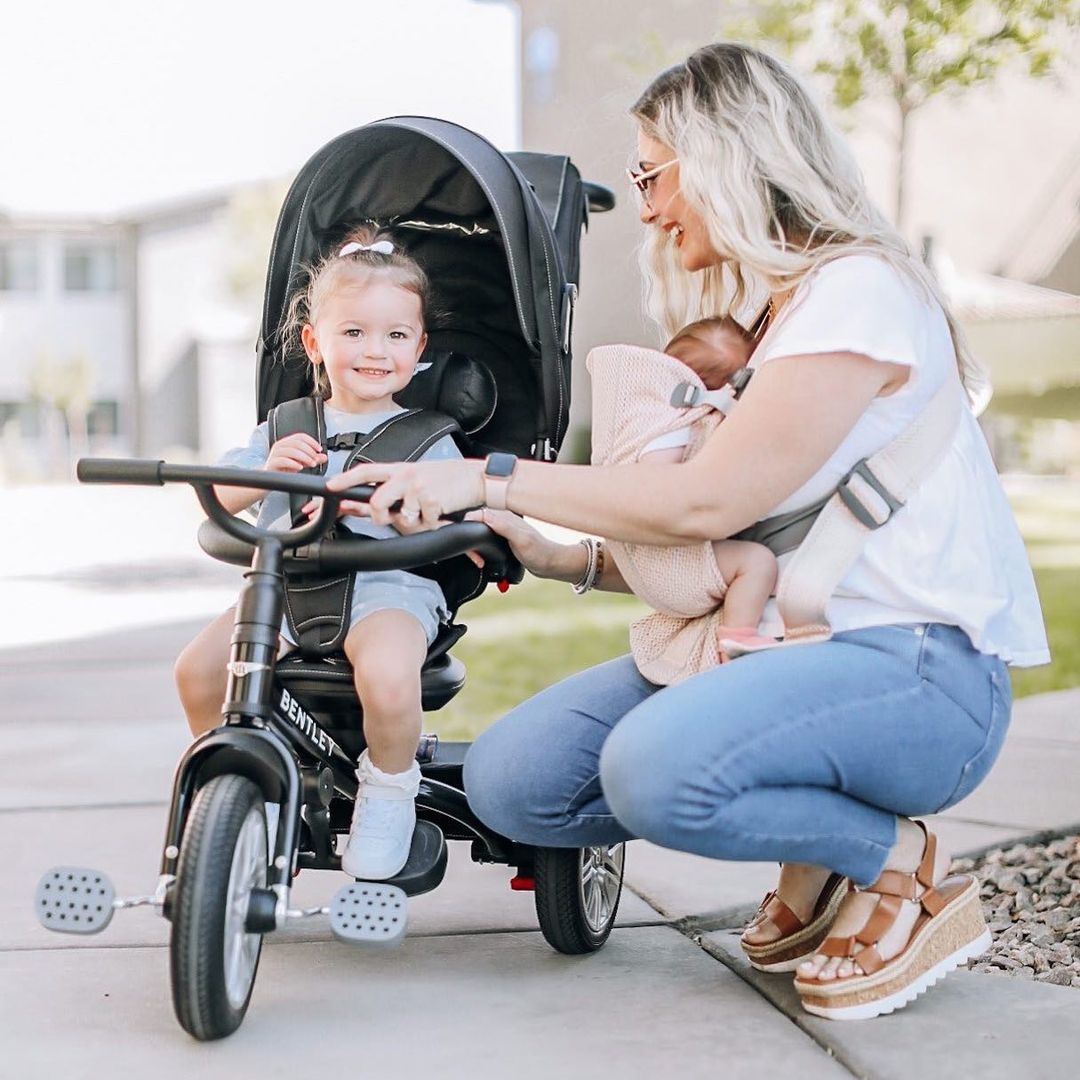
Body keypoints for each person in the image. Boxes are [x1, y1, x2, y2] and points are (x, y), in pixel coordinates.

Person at [326, 43, 1049, 1019]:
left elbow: (706, 503)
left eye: (651, 176)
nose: (649, 208)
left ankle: (896, 867)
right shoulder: (770, 317)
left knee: (653, 773)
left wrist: (486, 474)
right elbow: (734, 544)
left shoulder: (860, 293)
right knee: (514, 783)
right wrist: (563, 556)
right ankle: (821, 854)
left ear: (724, 159)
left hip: (914, 669)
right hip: (780, 656)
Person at [174, 228, 460, 881]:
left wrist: (402, 511)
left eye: (395, 335)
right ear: (314, 342)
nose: (375, 350)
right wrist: (267, 472)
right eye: (354, 332)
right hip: (287, 588)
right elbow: (218, 496)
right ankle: (242, 786)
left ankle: (388, 790)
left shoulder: (429, 440)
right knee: (198, 671)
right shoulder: (284, 427)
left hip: (389, 587)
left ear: (419, 348)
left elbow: (448, 517)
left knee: (388, 676)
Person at [590, 317, 778, 684]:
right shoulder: (670, 428)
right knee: (756, 563)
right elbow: (658, 486)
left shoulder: (652, 417)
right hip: (671, 564)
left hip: (655, 565)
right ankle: (736, 639)